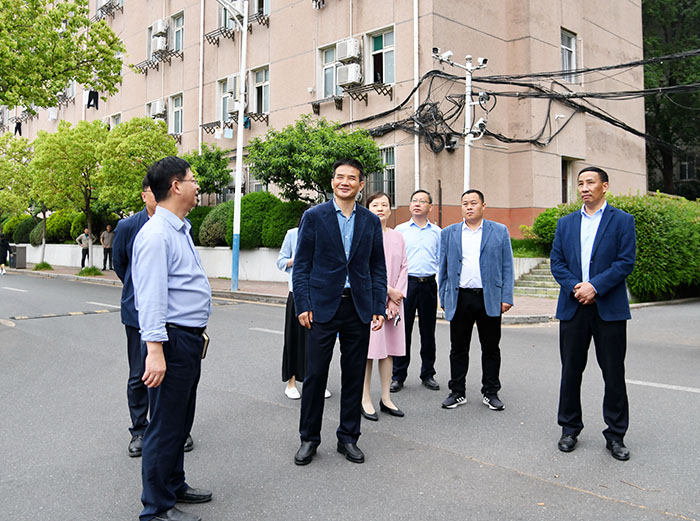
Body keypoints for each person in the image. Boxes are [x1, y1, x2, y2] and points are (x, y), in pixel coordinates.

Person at [132, 157, 213, 521]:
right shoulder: (156, 235)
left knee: (180, 421)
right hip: (171, 342)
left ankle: (174, 483)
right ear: (176, 186)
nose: (198, 186)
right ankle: (156, 508)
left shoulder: (179, 229)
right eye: (192, 180)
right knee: (164, 426)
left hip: (188, 341)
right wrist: (155, 351)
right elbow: (150, 298)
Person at [292, 158, 387, 466]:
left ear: (361, 185)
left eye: (352, 178)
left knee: (354, 375)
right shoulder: (314, 216)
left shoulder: (369, 221)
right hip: (321, 307)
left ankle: (348, 437)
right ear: (332, 182)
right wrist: (303, 303)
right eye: (340, 177)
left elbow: (377, 267)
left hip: (358, 307)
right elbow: (301, 265)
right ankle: (309, 438)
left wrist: (378, 306)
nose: (345, 182)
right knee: (315, 375)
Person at [550, 166, 636, 461]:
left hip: (608, 308)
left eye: (590, 182)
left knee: (613, 373)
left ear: (605, 186)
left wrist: (595, 287)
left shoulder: (622, 220)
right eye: (580, 183)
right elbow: (557, 262)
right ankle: (569, 428)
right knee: (570, 371)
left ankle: (616, 435)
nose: (584, 188)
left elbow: (625, 262)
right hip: (573, 306)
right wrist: (576, 286)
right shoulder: (566, 223)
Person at [113, 176, 195, 458]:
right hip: (137, 314)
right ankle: (139, 429)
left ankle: (174, 428)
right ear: (145, 195)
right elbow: (121, 266)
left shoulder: (179, 224)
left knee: (171, 377)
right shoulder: (129, 227)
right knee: (140, 373)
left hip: (171, 317)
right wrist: (143, 292)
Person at [438, 189, 514, 411]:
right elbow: (443, 268)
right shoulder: (449, 233)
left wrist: (506, 296)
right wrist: (444, 296)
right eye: (465, 203)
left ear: (483, 206)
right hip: (460, 296)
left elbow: (507, 265)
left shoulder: (499, 231)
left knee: (491, 348)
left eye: (473, 203)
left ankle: (490, 392)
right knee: (458, 348)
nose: (469, 207)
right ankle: (457, 392)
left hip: (489, 297)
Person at [361, 192, 407, 421]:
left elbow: (404, 267)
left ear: (390, 210)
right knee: (369, 351)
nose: (380, 208)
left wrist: (397, 296)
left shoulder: (398, 237)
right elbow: (363, 269)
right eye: (375, 205)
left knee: (388, 351)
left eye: (384, 205)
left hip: (395, 304)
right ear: (367, 209)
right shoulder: (363, 235)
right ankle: (364, 398)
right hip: (371, 300)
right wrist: (389, 291)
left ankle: (386, 398)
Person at [391, 190, 441, 393]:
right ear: (410, 205)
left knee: (428, 333)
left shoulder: (437, 232)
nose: (418, 204)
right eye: (414, 201)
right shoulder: (400, 230)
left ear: (430, 207)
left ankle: (428, 374)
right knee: (403, 332)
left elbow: (440, 259)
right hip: (406, 286)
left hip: (428, 284)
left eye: (422, 201)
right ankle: (398, 375)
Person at [276, 226, 331, 401]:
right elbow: (280, 261)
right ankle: (291, 383)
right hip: (298, 294)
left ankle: (317, 382)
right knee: (294, 339)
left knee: (319, 342)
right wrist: (296, 260)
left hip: (319, 295)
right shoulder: (293, 234)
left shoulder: (325, 232)